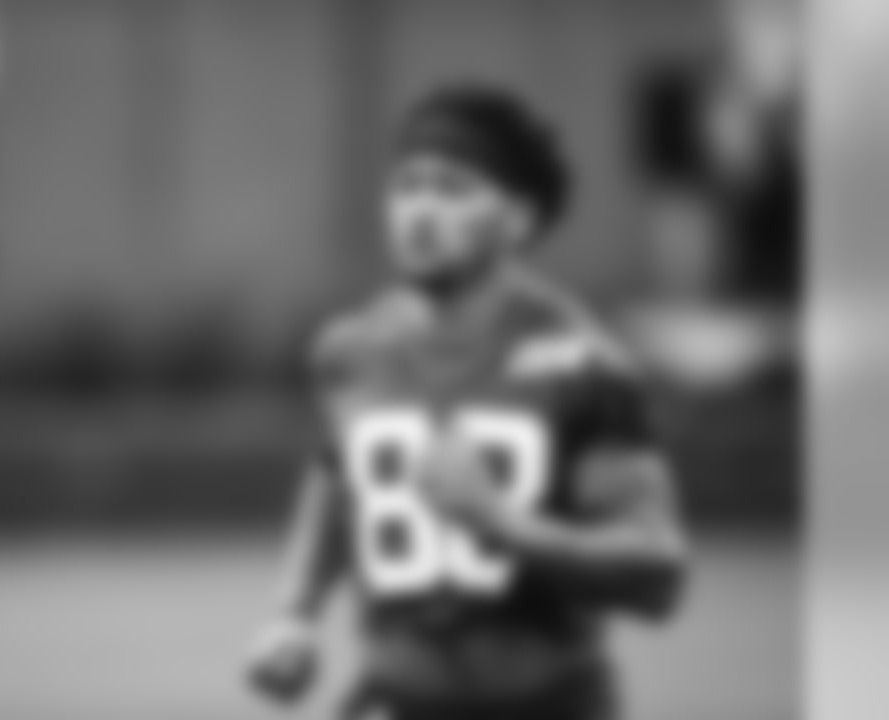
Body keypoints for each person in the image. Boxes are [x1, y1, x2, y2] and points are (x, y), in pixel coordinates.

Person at [244, 83, 690, 720]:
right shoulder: (350, 351)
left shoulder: (584, 365)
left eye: (453, 189)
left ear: (519, 218)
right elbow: (339, 482)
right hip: (393, 704)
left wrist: (505, 524)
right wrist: (294, 614)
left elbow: (659, 574)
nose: (421, 212)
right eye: (406, 187)